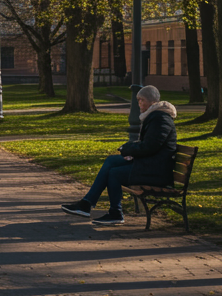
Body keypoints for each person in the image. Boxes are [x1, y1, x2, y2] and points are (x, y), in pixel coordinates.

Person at [60, 85, 178, 225]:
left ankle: (115, 212)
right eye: (138, 100)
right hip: (149, 164)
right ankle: (86, 204)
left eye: (141, 100)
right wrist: (131, 152)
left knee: (114, 174)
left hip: (156, 171)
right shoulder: (155, 116)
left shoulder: (160, 118)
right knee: (111, 161)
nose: (139, 103)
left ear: (152, 101)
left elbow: (150, 146)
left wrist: (128, 148)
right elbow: (150, 146)